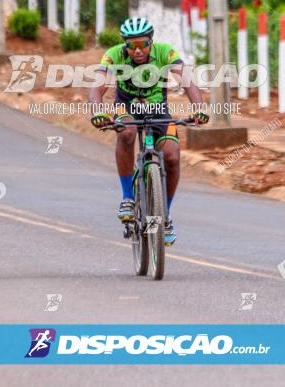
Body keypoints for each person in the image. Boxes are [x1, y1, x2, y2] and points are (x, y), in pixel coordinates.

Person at [88, 17, 209, 246]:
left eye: (142, 44)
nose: (137, 50)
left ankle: (165, 216)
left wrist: (199, 108)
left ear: (151, 41)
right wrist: (97, 111)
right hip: (127, 108)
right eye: (131, 45)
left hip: (157, 109)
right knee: (126, 133)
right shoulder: (113, 55)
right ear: (124, 45)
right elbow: (97, 88)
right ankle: (127, 198)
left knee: (172, 156)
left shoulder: (165, 52)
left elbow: (187, 81)